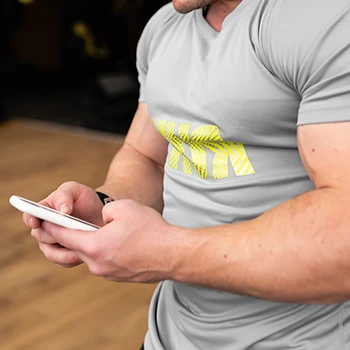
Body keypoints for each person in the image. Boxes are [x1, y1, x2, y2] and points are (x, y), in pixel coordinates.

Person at [24, 0, 350, 349]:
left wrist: (163, 253)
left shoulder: (327, 19)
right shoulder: (164, 27)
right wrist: (103, 205)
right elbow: (148, 157)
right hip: (171, 334)